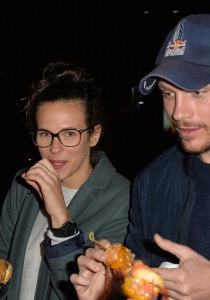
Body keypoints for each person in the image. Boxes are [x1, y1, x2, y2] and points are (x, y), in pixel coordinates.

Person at [71, 13, 210, 300]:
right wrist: (110, 289)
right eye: (168, 93)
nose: (178, 113)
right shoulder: (151, 181)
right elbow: (142, 288)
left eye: (198, 91)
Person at [0, 61, 130, 300]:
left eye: (69, 134)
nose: (54, 148)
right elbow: (0, 253)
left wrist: (60, 219)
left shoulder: (122, 198)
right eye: (45, 134)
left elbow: (89, 292)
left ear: (94, 135)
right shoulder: (24, 184)